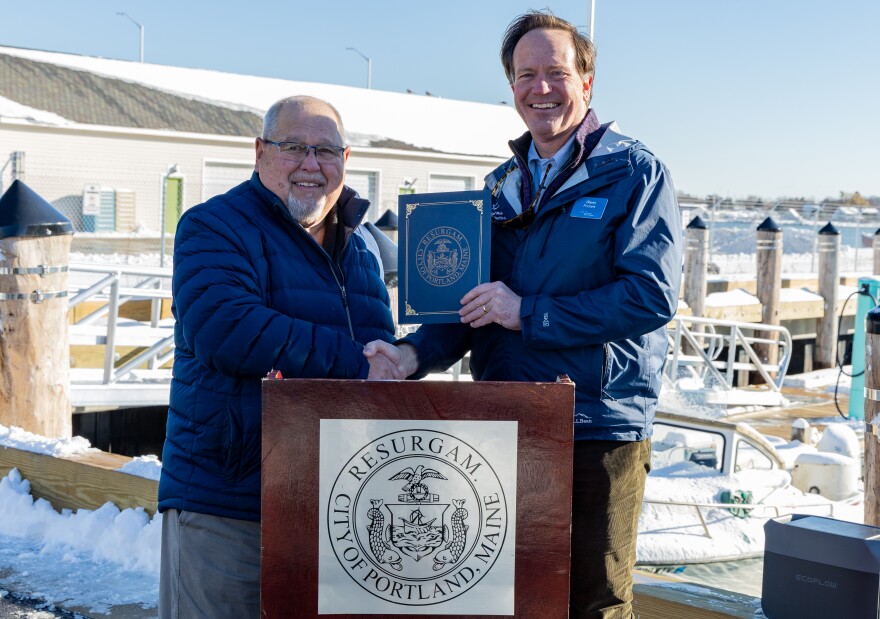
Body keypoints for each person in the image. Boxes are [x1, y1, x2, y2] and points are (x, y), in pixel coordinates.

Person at [366, 11, 682, 618]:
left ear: (586, 83)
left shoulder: (635, 172)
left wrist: (528, 313)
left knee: (594, 600)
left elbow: (651, 296)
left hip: (597, 423)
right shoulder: (497, 187)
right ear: (511, 87)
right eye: (525, 74)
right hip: (506, 415)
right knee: (504, 595)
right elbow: (470, 305)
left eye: (556, 72)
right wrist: (411, 355)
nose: (541, 87)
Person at [157, 95, 400, 618]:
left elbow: (384, 354)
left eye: (327, 151)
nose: (312, 165)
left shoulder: (360, 249)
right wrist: (360, 362)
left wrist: (408, 356)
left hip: (337, 506)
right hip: (232, 502)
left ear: (346, 161)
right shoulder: (214, 226)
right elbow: (224, 327)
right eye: (295, 148)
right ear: (260, 152)